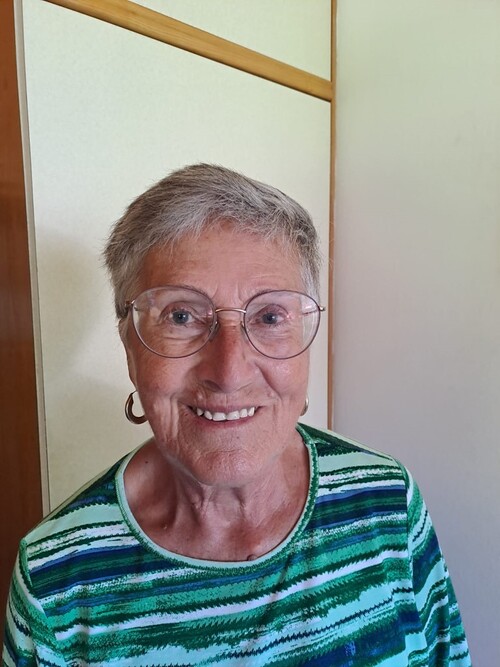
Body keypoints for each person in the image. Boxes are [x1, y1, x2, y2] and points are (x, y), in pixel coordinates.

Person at [3, 164, 471, 666]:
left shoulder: (387, 503)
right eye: (181, 316)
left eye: (270, 316)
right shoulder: (57, 578)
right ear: (129, 344)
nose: (229, 373)